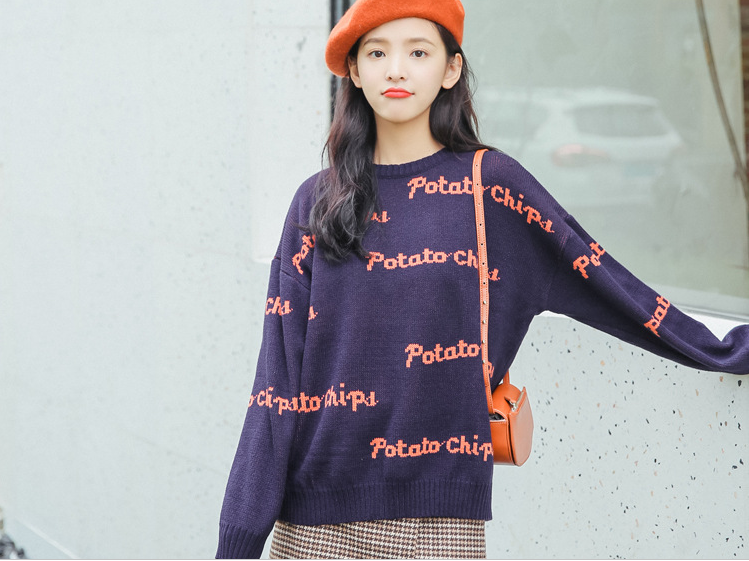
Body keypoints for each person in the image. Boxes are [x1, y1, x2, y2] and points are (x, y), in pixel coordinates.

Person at [216, 0, 749, 558]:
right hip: (315, 527)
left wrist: (721, 349)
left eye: (418, 52)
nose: (396, 69)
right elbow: (275, 387)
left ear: (451, 69)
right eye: (376, 53)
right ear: (353, 69)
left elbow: (605, 281)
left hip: (442, 526)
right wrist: (238, 539)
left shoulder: (490, 188)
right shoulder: (317, 203)